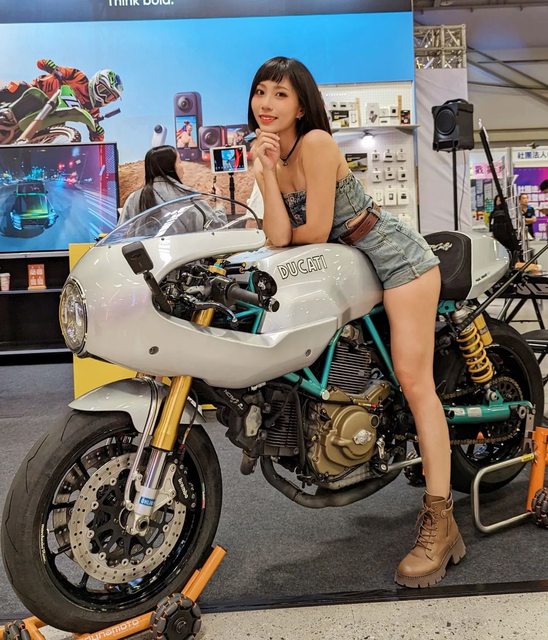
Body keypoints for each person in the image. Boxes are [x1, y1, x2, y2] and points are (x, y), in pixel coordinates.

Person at [249, 56, 464, 589]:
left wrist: (276, 190)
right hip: (352, 269)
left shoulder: (317, 143)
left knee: (415, 382)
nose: (267, 104)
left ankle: (441, 523)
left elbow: (314, 230)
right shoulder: (274, 155)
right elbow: (276, 236)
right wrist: (265, 174)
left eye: (280, 94)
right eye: (261, 92)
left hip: (395, 259)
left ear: (303, 105)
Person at [0, 59, 123, 142]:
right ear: (96, 82)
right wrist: (50, 66)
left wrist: (98, 132)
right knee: (17, 87)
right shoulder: (78, 76)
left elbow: (97, 139)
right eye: (103, 91)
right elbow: (41, 63)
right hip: (38, 91)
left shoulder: (93, 110)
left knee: (59, 126)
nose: (105, 98)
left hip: (52, 114)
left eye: (110, 97)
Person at [118, 144, 226, 230]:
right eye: (179, 162)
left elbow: (120, 235)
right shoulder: (189, 196)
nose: (182, 167)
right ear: (171, 167)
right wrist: (219, 203)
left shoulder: (134, 198)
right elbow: (218, 228)